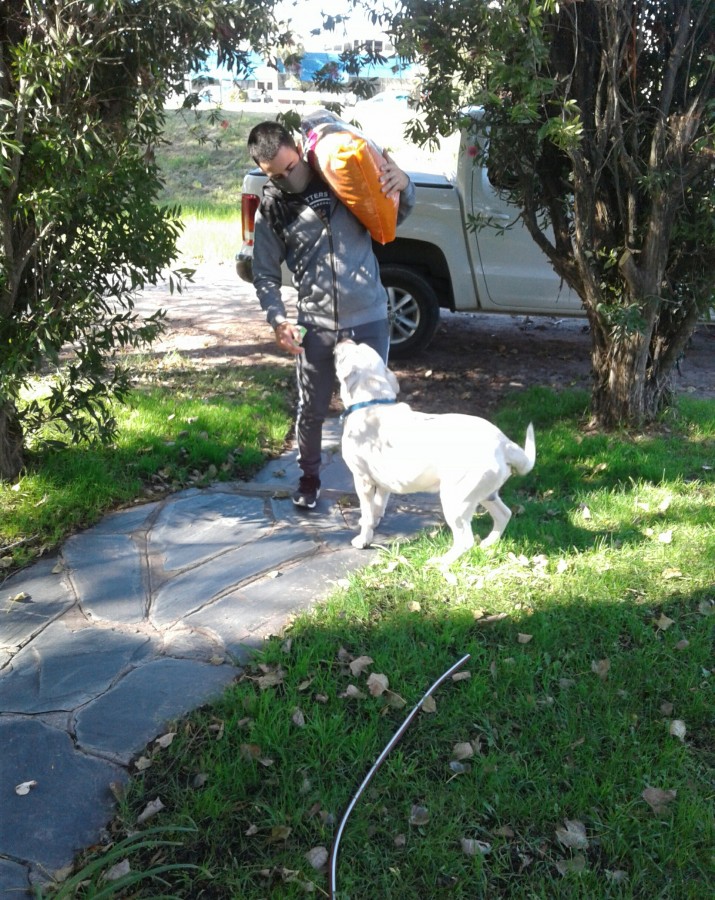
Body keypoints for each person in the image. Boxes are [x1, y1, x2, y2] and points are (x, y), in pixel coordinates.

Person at [247, 120, 415, 509]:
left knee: (376, 408)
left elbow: (397, 211)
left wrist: (404, 183)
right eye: (276, 175)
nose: (289, 179)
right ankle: (309, 480)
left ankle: (375, 486)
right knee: (312, 409)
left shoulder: (340, 175)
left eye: (292, 168)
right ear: (263, 172)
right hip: (315, 323)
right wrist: (277, 320)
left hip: (369, 317)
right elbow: (265, 274)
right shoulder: (273, 207)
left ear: (299, 151)